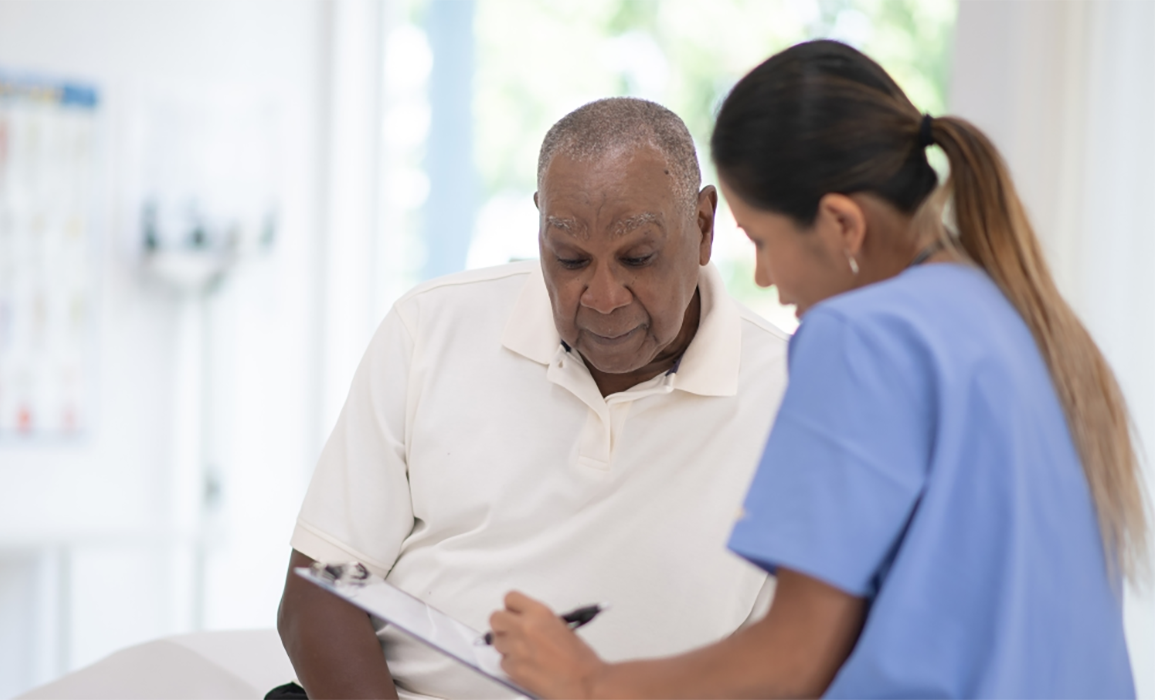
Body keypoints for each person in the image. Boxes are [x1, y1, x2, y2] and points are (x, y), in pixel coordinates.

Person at [487, 40, 1148, 700]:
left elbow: (794, 660)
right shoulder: (1017, 317)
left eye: (766, 243)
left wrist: (589, 681)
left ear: (842, 225)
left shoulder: (862, 337)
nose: (769, 282)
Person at [274, 98, 789, 700]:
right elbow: (318, 593)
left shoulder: (793, 397)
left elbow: (793, 662)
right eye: (569, 260)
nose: (601, 296)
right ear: (540, 225)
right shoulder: (431, 328)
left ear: (702, 226)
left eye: (637, 258)